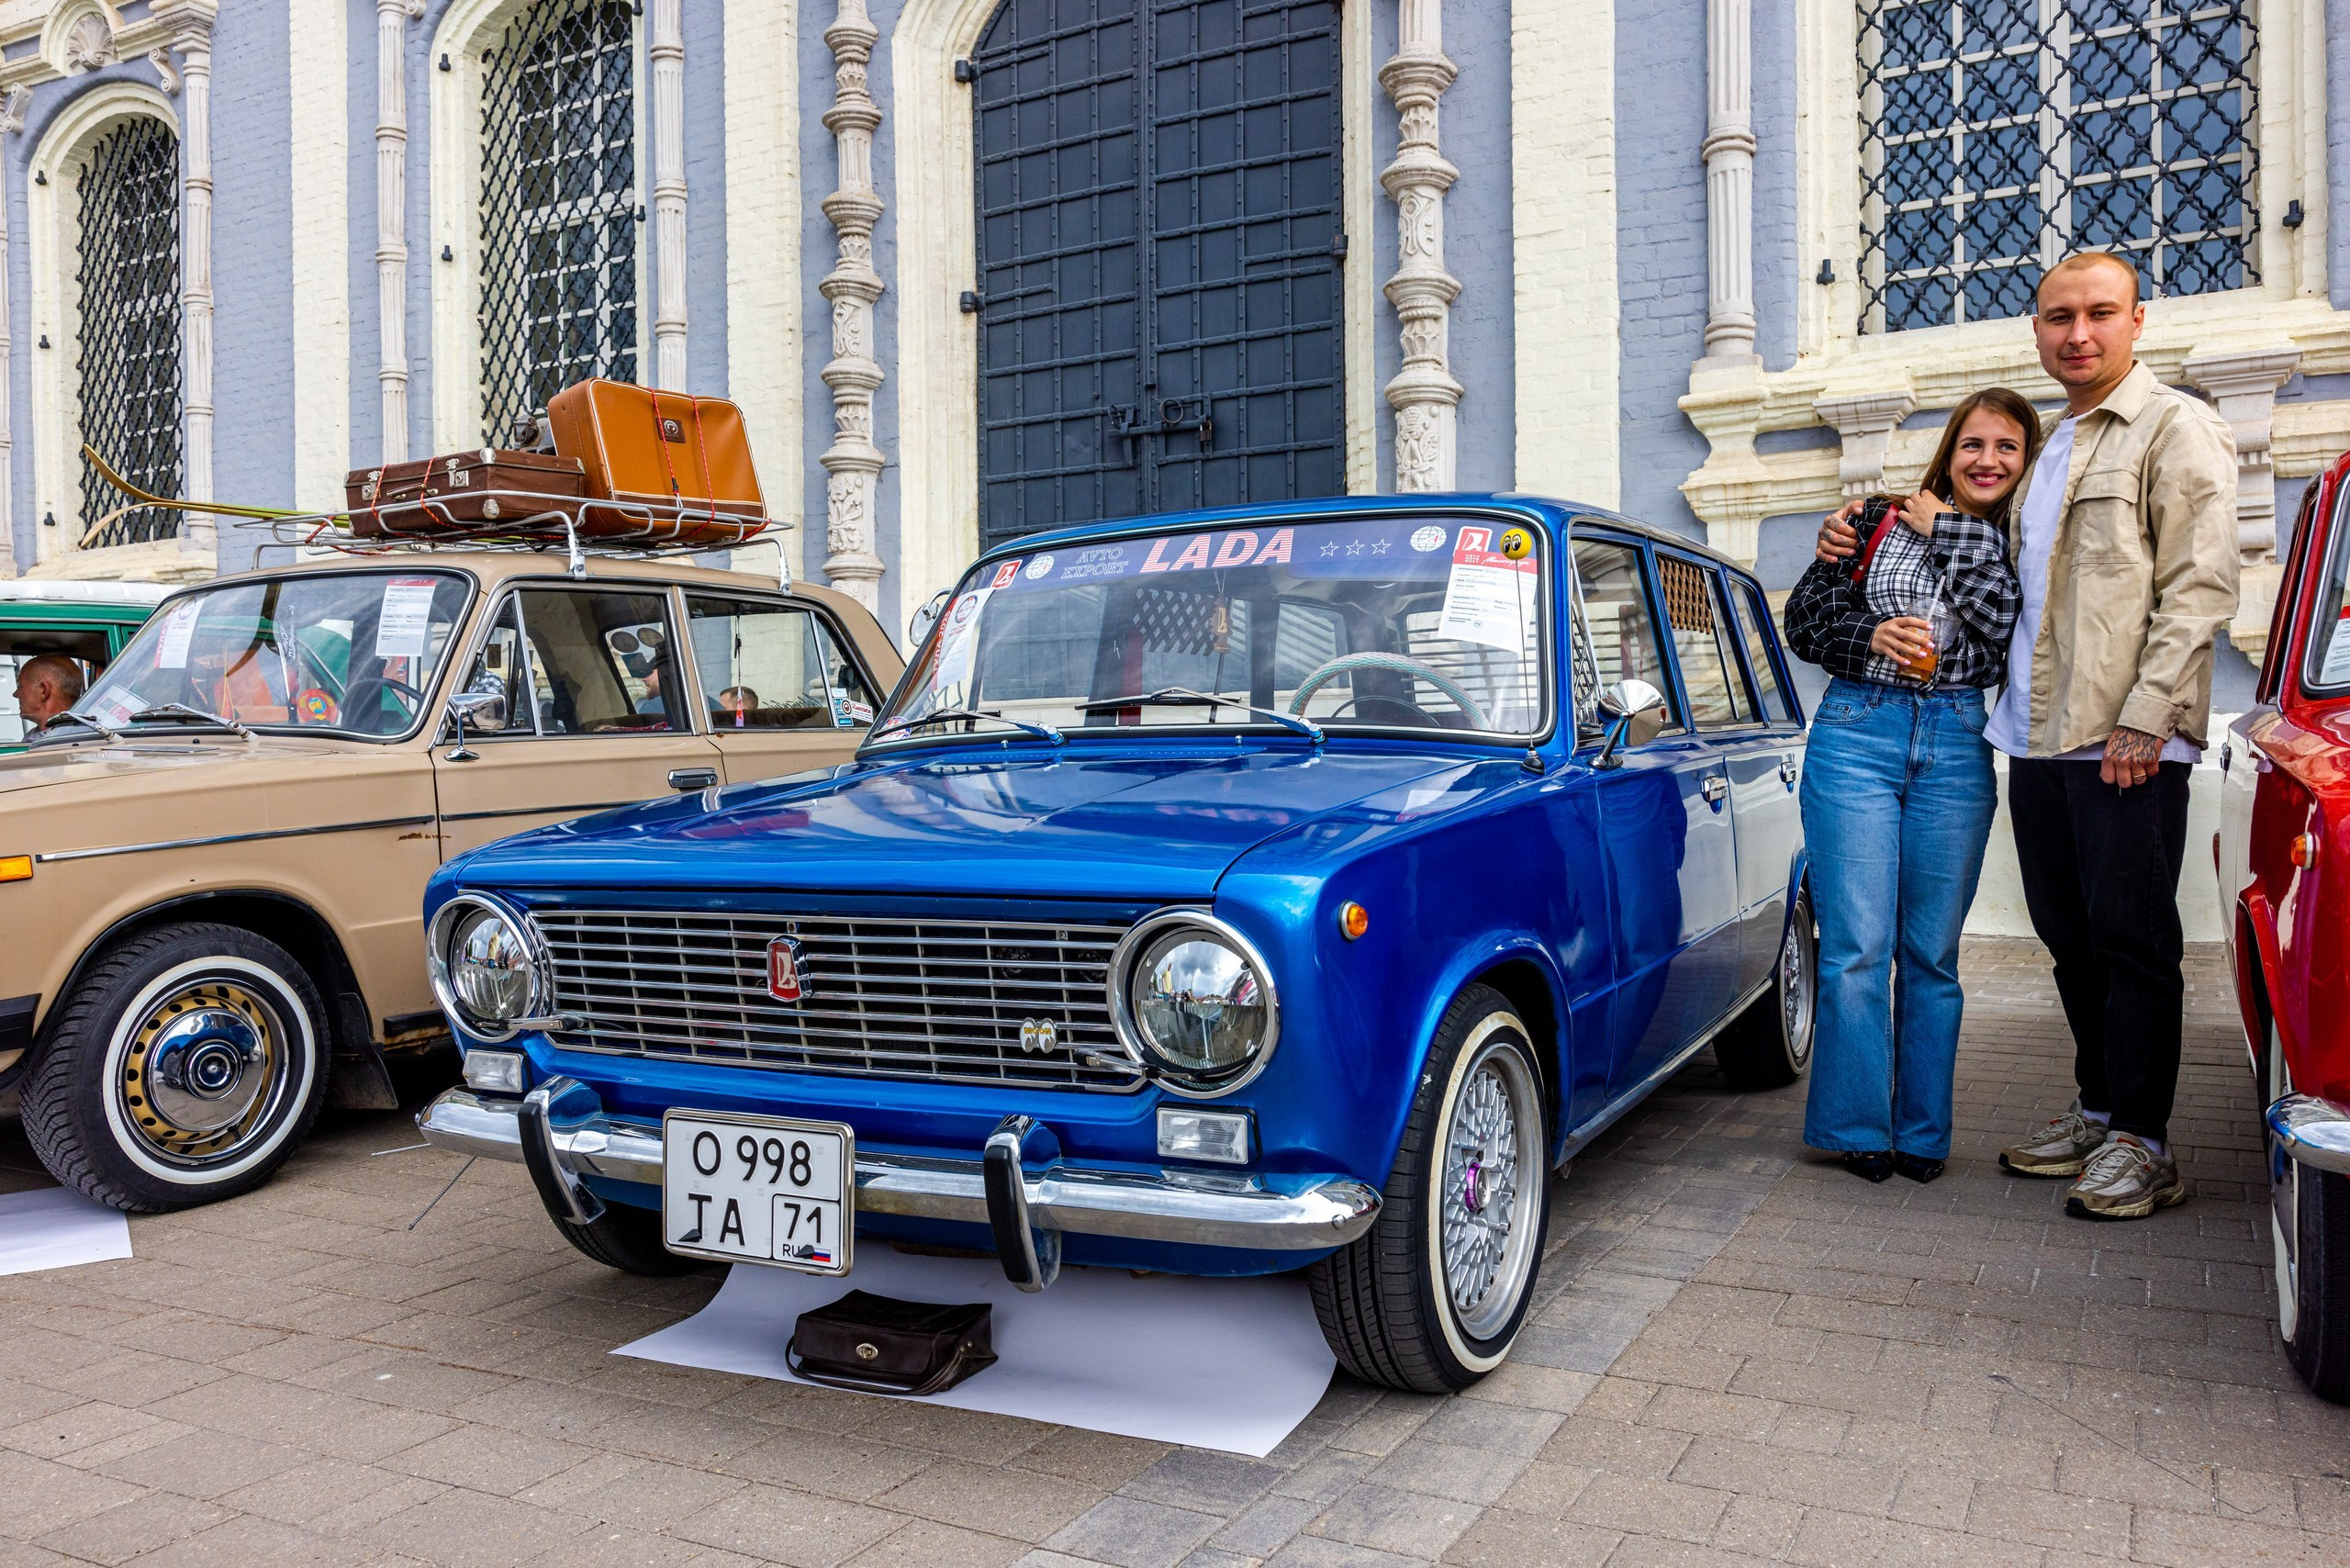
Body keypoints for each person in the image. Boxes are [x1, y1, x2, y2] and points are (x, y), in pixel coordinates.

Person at [1818, 252, 2238, 1220]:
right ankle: (2098, 1107)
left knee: (2132, 942)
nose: (2076, 333)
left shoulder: (2173, 428)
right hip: (2037, 739)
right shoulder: (2056, 448)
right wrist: (1854, 527)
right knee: (2070, 941)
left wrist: (2145, 715)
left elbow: (2201, 584)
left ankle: (2143, 1139)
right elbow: (1993, 575)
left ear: (2139, 317)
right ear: (2037, 327)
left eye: (2097, 314)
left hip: (2123, 739)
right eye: (2057, 316)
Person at [1782, 391, 2031, 1184]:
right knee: (1857, 946)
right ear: (1948, 451)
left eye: (2008, 447)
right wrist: (1870, 633)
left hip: (1957, 742)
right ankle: (1858, 1128)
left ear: (2026, 462)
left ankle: (1923, 1135)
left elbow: (2002, 625)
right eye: (1973, 443)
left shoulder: (2022, 537)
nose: (1988, 459)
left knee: (1932, 952)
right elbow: (1806, 618)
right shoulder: (1874, 520)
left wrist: (1947, 530)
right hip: (1858, 731)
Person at [14, 654, 85, 731]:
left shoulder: (67, 739)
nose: (15, 694)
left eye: (20, 686)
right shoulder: (79, 734)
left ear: (43, 691)